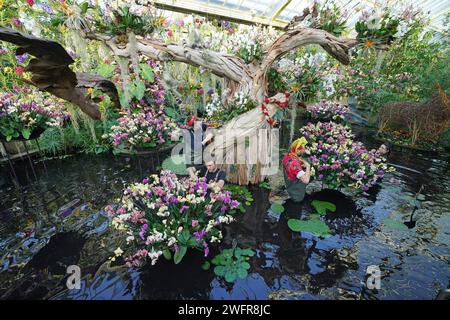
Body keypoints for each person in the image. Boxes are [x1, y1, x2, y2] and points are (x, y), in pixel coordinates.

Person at [282, 137, 311, 203]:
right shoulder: (295, 164)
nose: (304, 150)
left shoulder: (287, 156)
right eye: (303, 148)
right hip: (297, 196)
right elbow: (306, 180)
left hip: (290, 186)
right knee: (296, 206)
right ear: (299, 150)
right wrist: (308, 166)